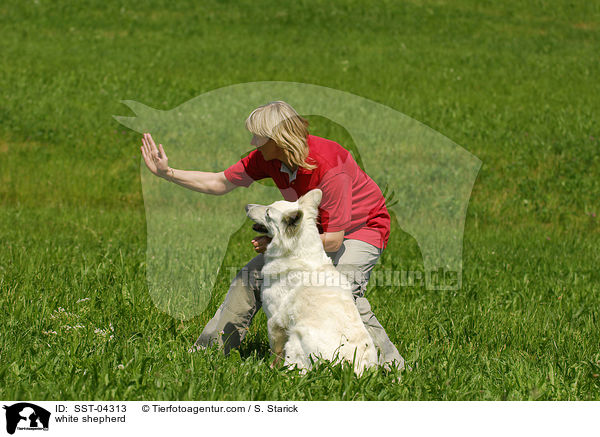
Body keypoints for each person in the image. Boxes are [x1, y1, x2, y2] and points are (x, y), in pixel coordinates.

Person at [140, 101, 404, 369]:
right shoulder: (268, 158)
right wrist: (167, 173)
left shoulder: (330, 164)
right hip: (307, 233)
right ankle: (210, 351)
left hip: (361, 230)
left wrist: (277, 243)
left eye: (258, 136)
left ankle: (391, 366)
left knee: (341, 288)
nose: (253, 142)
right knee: (249, 277)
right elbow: (220, 182)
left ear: (278, 139)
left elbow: (335, 240)